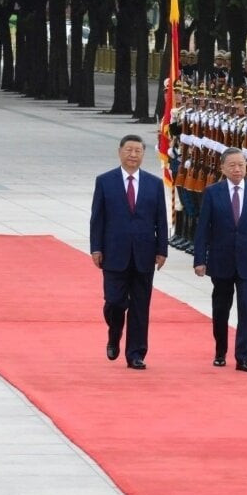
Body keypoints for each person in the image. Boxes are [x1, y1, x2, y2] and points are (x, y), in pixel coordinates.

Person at [90, 135, 168, 370]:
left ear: (143, 155)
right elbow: (98, 218)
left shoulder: (153, 184)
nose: (133, 155)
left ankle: (136, 353)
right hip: (114, 253)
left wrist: (162, 249)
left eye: (138, 151)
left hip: (144, 253)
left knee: (140, 306)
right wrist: (96, 248)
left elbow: (161, 220)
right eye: (129, 150)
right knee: (114, 302)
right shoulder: (105, 181)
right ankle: (115, 334)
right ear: (120, 152)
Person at [193, 147, 247, 372]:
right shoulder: (212, 192)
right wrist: (200, 259)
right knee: (221, 308)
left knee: (246, 307)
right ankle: (220, 350)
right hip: (221, 259)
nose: (237, 170)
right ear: (223, 168)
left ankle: (244, 356)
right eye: (232, 166)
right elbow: (203, 230)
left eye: (241, 165)